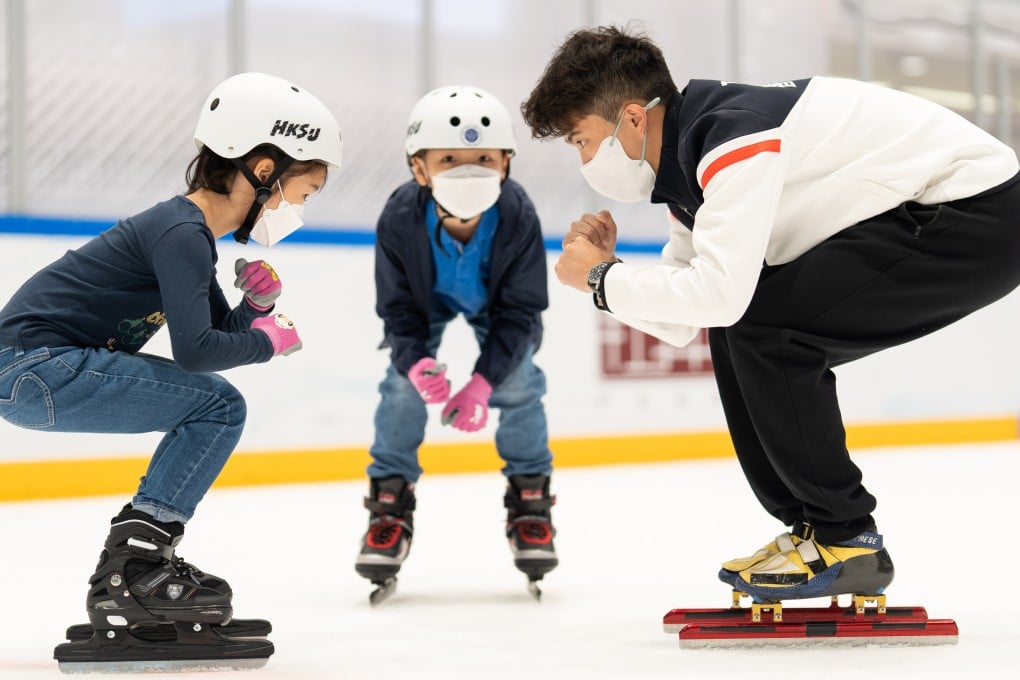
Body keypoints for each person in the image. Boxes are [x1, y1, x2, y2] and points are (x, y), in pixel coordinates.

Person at [520, 26, 1020, 603]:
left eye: (582, 140)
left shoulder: (731, 138)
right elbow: (688, 316)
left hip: (976, 209)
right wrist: (606, 277)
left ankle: (845, 536)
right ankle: (814, 527)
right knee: (745, 327)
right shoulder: (688, 167)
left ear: (632, 118)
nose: (584, 160)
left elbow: (718, 294)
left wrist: (601, 279)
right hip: (933, 209)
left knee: (770, 332)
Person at [0, 72, 342, 670]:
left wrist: (255, 309)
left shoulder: (185, 231)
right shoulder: (182, 233)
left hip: (31, 370)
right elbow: (198, 353)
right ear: (264, 169)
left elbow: (217, 333)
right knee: (219, 405)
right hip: (34, 368)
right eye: (304, 193)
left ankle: (138, 561)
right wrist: (267, 342)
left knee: (213, 405)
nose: (299, 211)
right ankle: (136, 567)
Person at [356, 85, 556, 602]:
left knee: (519, 381)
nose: (469, 171)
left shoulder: (518, 214)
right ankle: (389, 505)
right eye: (449, 159)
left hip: (496, 305)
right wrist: (415, 361)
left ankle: (530, 500)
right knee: (401, 387)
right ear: (419, 169)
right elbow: (398, 309)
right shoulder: (400, 217)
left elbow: (520, 312)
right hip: (427, 302)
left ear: (506, 164)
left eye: (483, 159)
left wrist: (483, 382)